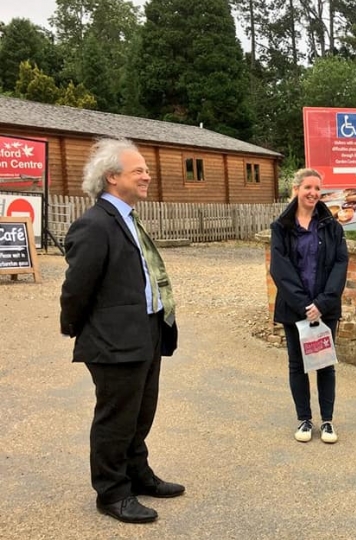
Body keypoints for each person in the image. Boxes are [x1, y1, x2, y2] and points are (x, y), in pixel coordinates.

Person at [60, 138, 183, 524]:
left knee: (140, 413)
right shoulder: (94, 224)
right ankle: (112, 493)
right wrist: (77, 329)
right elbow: (77, 288)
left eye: (146, 169)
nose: (147, 175)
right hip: (114, 340)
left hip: (146, 330)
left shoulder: (129, 217)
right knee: (116, 418)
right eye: (139, 170)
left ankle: (137, 474)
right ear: (112, 177)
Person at [270, 168, 349, 444]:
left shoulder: (332, 226)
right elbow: (280, 269)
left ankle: (327, 421)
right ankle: (304, 419)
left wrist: (322, 303)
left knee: (325, 364)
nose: (314, 193)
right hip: (295, 309)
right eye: (308, 188)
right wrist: (305, 305)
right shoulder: (281, 227)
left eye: (318, 188)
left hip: (325, 308)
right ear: (296, 190)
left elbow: (341, 265)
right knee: (298, 365)